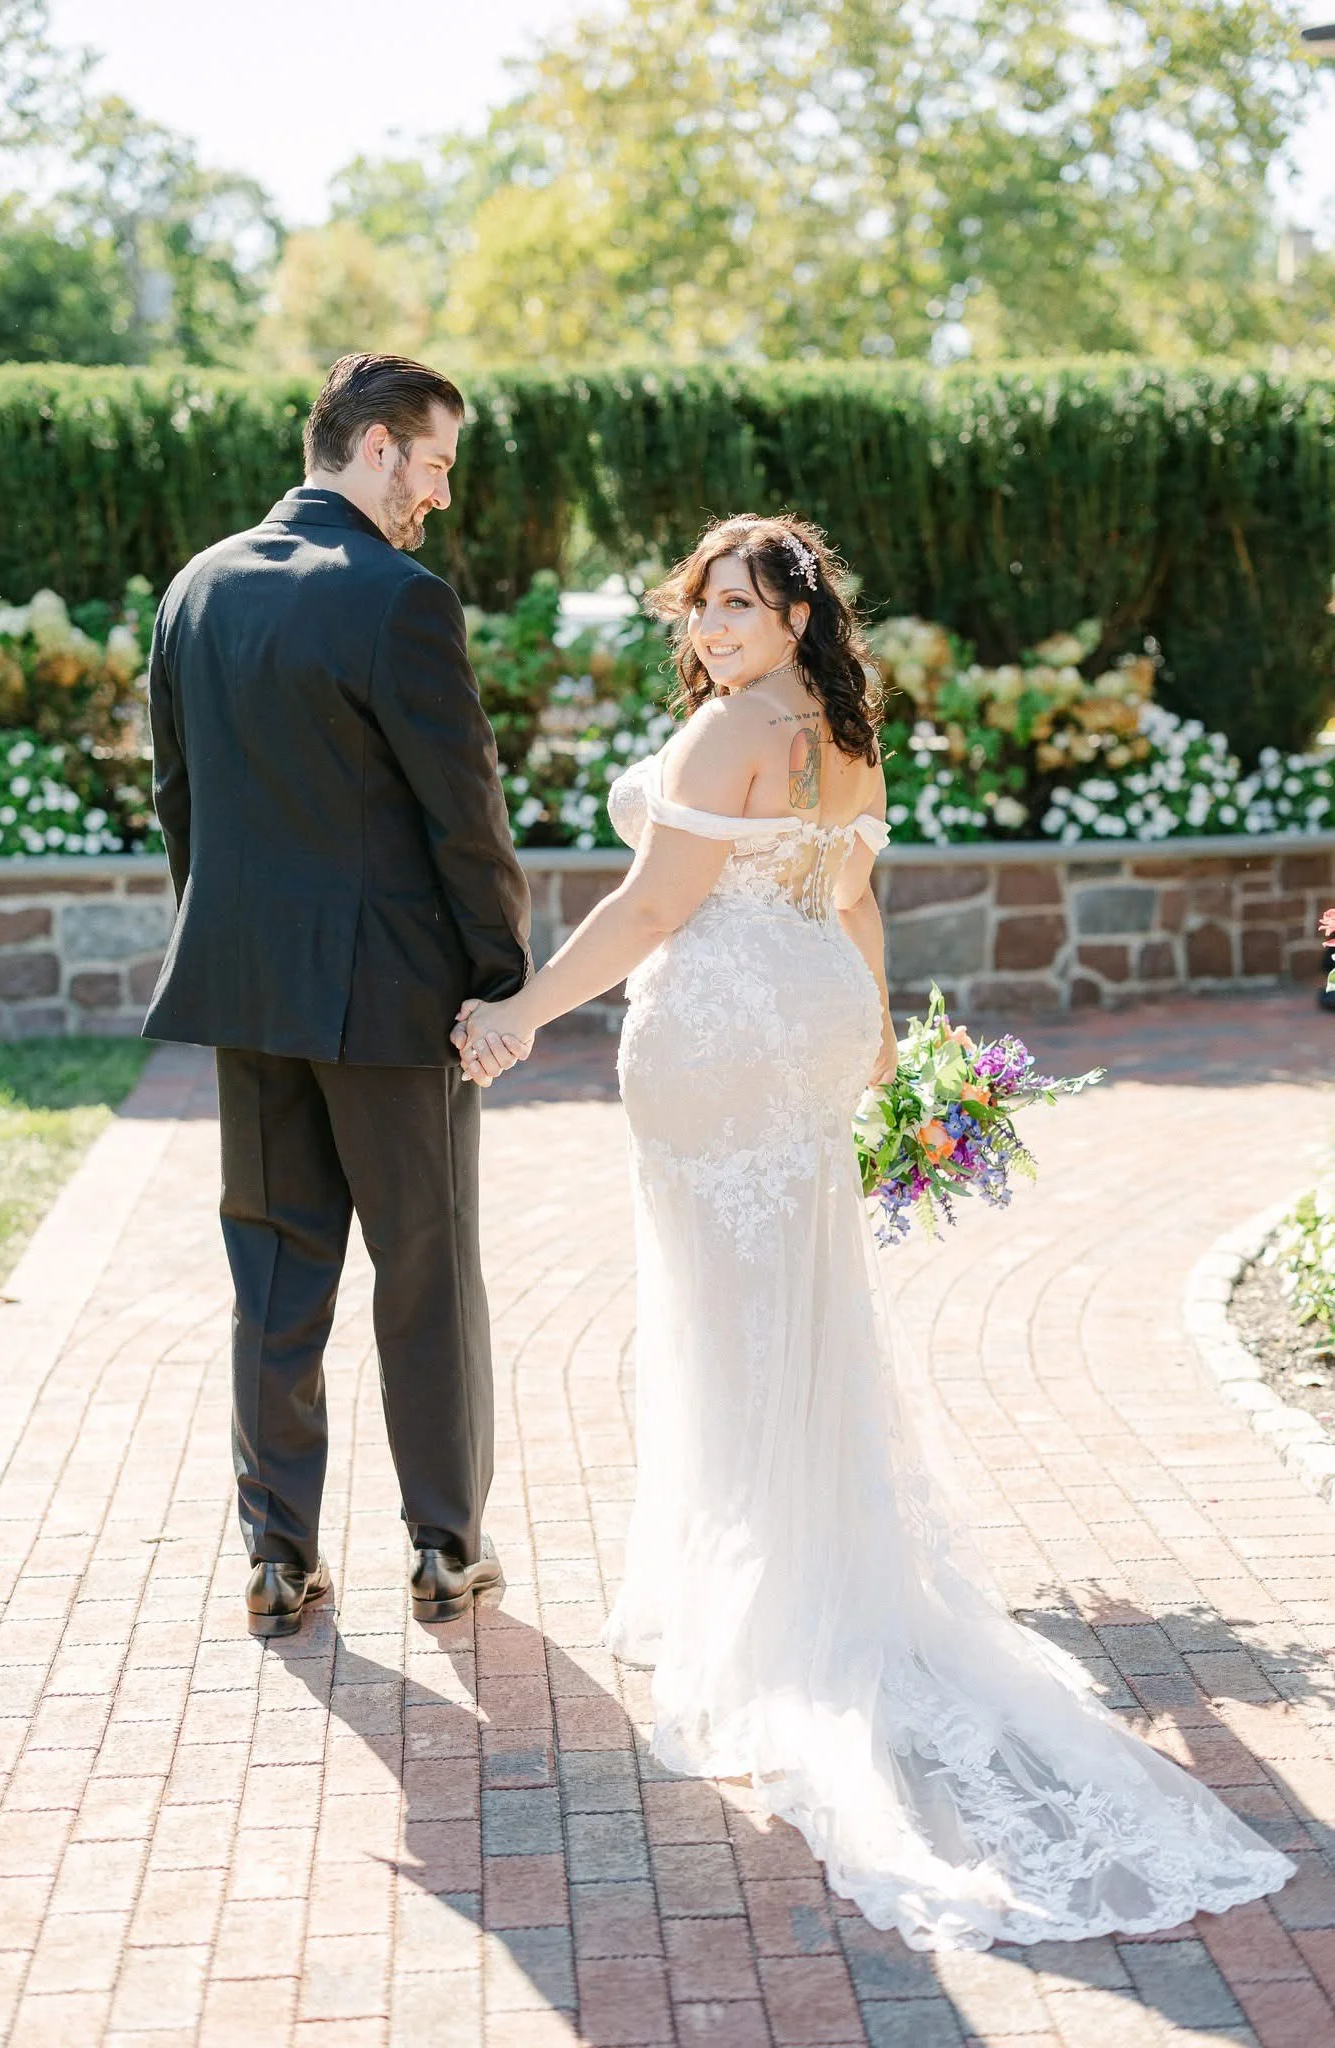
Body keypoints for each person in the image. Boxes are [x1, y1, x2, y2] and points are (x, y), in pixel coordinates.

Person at [455, 513, 1292, 1949]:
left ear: (793, 615)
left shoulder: (734, 730)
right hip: (803, 1031)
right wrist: (882, 1042)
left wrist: (524, 1011)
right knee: (794, 1316)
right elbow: (853, 901)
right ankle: (798, 1575)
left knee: (730, 1324)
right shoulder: (841, 724)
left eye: (739, 604)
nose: (712, 626)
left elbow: (659, 901)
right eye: (700, 603)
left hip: (723, 1040)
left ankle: (779, 1617)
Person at [144, 352, 532, 1638]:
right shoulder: (398, 598)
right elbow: (463, 814)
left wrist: (236, 941)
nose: (436, 495)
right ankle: (442, 1546)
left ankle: (275, 1556)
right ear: (373, 448)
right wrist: (498, 974)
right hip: (391, 1001)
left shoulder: (193, 590)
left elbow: (181, 807)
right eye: (432, 465)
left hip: (249, 995)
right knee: (424, 1264)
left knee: (272, 1276)